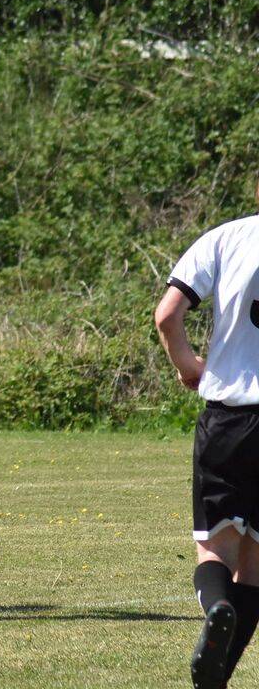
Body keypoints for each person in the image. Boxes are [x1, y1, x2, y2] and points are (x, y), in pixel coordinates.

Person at [156, 200, 259, 689]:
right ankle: (216, 677)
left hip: (229, 418)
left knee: (216, 551)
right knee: (255, 567)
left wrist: (188, 367)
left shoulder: (225, 237)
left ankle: (217, 606)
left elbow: (167, 315)